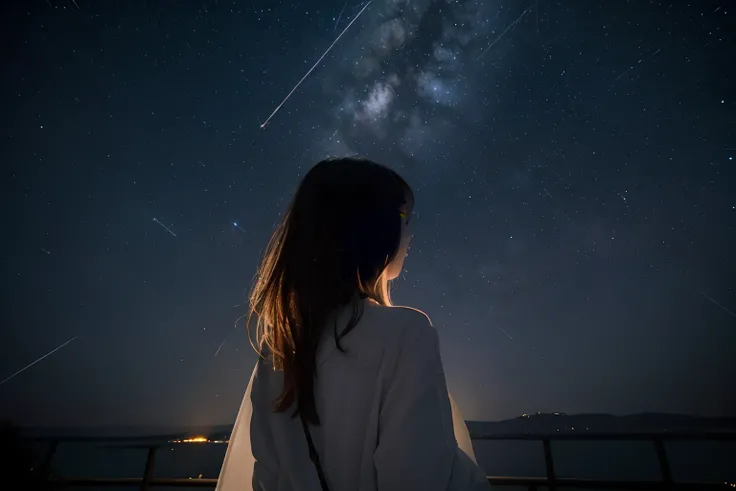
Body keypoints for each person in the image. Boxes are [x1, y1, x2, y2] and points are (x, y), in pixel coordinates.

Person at [216, 157, 490, 491]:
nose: (410, 231)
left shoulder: (278, 348)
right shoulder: (406, 334)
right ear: (369, 226)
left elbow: (267, 475)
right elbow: (418, 474)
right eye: (403, 216)